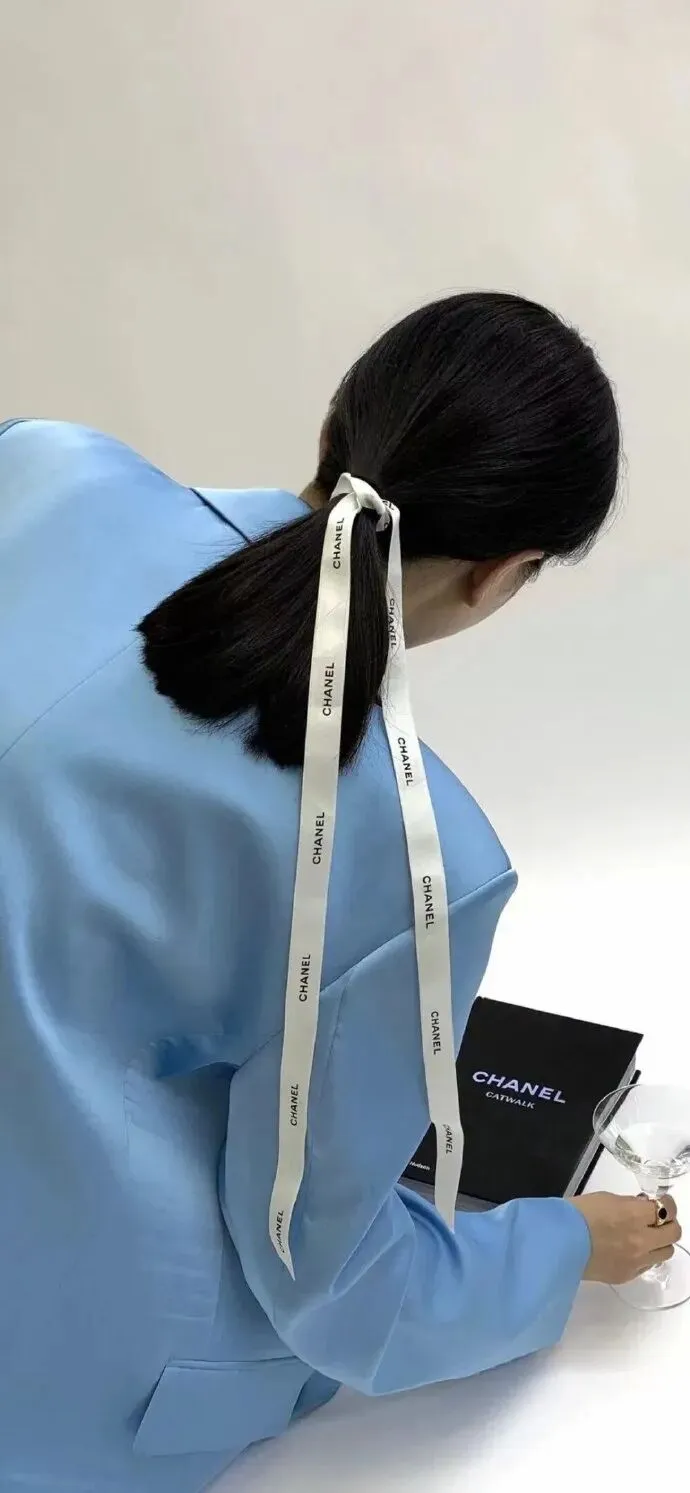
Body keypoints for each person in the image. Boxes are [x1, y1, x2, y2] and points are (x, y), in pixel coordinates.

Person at [0, 292, 680, 1493]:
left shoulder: (40, 468)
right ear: (502, 575)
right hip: (58, 1380)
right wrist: (561, 1242)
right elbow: (330, 1283)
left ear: (333, 420)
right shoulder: (415, 854)